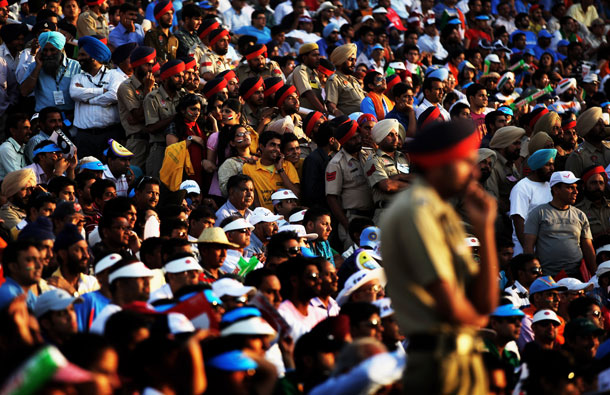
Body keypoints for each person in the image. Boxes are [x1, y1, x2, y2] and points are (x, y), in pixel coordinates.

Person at [381, 120, 498, 394]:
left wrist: (485, 230)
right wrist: (478, 319)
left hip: (461, 357)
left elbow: (486, 301)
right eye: (466, 162)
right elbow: (452, 306)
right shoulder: (416, 210)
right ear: (441, 164)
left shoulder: (442, 212)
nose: (474, 171)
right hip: (439, 362)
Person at [523, 171, 596, 277]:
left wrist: (595, 275)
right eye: (570, 187)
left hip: (576, 276)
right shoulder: (538, 213)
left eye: (576, 187)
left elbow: (588, 248)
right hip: (547, 277)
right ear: (556, 189)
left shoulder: (580, 215)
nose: (575, 191)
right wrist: (534, 275)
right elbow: (528, 247)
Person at [326, 121, 374, 248]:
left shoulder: (367, 155)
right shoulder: (336, 163)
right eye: (353, 139)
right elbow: (331, 198)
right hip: (353, 219)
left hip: (372, 217)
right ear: (344, 142)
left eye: (358, 136)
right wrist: (348, 225)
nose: (358, 140)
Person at [19, 31, 81, 113]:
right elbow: (24, 92)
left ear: (61, 49)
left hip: (70, 114)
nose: (48, 54)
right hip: (44, 116)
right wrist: (38, 67)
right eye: (45, 50)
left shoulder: (75, 66)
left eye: (52, 50)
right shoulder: (34, 66)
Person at [143, 59, 185, 177]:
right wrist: (175, 117)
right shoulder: (152, 98)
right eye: (177, 76)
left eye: (182, 76)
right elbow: (151, 128)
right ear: (165, 78)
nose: (181, 80)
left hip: (180, 148)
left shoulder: (182, 96)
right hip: (160, 149)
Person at [117, 46, 157, 172]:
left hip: (153, 140)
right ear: (137, 65)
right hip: (137, 141)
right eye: (146, 65)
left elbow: (157, 113)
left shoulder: (154, 84)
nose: (150, 69)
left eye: (151, 65)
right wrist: (147, 90)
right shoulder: (126, 87)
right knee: (134, 177)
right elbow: (138, 116)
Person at [509, 149, 555, 255]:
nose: (552, 168)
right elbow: (519, 223)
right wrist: (530, 253)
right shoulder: (522, 187)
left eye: (552, 164)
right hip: (526, 252)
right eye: (547, 165)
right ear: (536, 166)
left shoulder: (550, 186)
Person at [364, 119, 410, 223]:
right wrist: (414, 186)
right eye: (390, 135)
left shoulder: (403, 157)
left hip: (406, 212)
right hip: (386, 214)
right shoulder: (374, 160)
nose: (395, 139)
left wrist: (400, 177)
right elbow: (387, 185)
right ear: (380, 137)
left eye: (396, 135)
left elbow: (415, 176)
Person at [243, 131, 300, 210]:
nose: (276, 149)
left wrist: (280, 170)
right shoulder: (248, 167)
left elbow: (296, 194)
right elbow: (254, 197)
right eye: (272, 145)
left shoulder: (287, 165)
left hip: (286, 218)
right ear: (262, 146)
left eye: (279, 146)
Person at [277, 256, 327, 341]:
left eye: (319, 276)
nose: (319, 281)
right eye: (313, 276)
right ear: (294, 281)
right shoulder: (282, 315)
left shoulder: (322, 314)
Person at [49, 224, 99, 296]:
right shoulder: (51, 287)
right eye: (79, 250)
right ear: (63, 254)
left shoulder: (92, 283)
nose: (87, 256)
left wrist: (71, 291)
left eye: (86, 250)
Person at [485, 126, 525, 213]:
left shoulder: (510, 162)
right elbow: (493, 199)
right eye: (515, 143)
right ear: (502, 145)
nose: (519, 147)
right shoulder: (492, 165)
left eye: (519, 143)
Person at [0, 240, 49, 310]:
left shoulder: (29, 295)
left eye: (40, 260)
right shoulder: (9, 297)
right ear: (13, 266)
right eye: (30, 260)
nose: (39, 266)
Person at [483, 304, 524, 389]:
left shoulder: (512, 357)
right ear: (494, 323)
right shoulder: (481, 352)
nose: (519, 324)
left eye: (520, 319)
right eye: (513, 319)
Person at [565, 107, 610, 177]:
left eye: (602, 123)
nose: (602, 127)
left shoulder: (608, 146)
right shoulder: (577, 157)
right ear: (587, 131)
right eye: (597, 125)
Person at [325, 43, 366, 116]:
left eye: (355, 60)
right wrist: (341, 117)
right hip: (350, 122)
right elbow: (331, 104)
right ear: (340, 61)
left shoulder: (354, 80)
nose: (354, 63)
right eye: (350, 60)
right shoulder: (334, 80)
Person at [291, 43, 326, 114]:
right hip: (304, 115)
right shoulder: (300, 70)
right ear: (304, 58)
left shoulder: (313, 72)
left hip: (315, 114)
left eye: (318, 55)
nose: (318, 58)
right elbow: (308, 93)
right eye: (314, 55)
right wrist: (323, 111)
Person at [576, 165, 610, 238]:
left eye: (601, 183)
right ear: (584, 186)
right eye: (593, 183)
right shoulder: (578, 211)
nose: (598, 187)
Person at [0, 113, 30, 178]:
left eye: (29, 128)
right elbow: (18, 177)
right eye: (25, 128)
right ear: (13, 131)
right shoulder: (6, 148)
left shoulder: (23, 147)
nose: (29, 132)